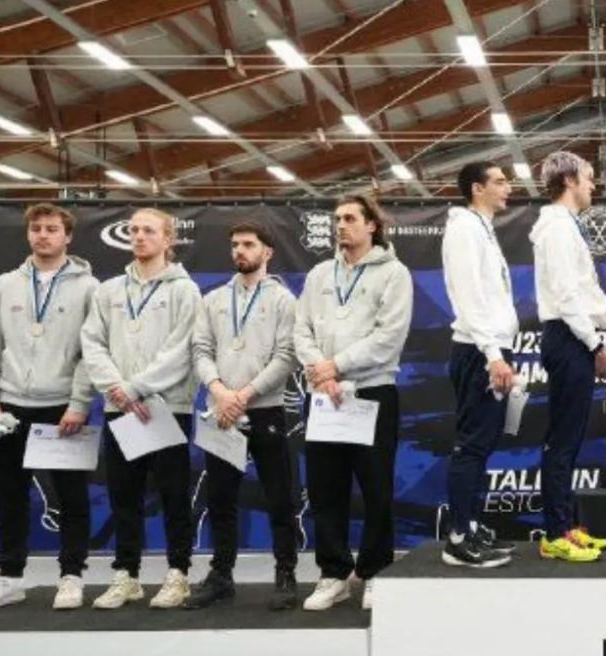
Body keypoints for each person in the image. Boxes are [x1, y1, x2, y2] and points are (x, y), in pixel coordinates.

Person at [0, 203, 99, 612]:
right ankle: (9, 579)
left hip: (62, 407)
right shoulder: (5, 285)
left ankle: (71, 577)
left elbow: (91, 352)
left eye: (52, 228)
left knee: (71, 498)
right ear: (28, 234)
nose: (43, 235)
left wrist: (79, 402)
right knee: (8, 497)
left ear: (67, 236)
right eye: (36, 228)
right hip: (9, 408)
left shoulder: (90, 287)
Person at [294, 192, 413, 610]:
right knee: (325, 489)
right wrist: (321, 370)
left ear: (372, 226)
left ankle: (376, 570)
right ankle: (333, 574)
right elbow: (300, 330)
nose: (340, 226)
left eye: (349, 218)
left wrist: (337, 365)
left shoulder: (394, 274)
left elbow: (389, 337)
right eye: (337, 219)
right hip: (324, 397)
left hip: (372, 392)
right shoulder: (318, 274)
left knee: (376, 488)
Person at [81, 207, 201, 610]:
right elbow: (92, 343)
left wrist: (135, 388)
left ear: (168, 239)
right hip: (121, 409)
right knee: (124, 496)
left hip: (167, 407)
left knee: (173, 495)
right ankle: (126, 575)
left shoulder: (184, 291)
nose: (139, 237)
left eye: (149, 230)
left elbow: (181, 351)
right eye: (133, 230)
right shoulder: (108, 291)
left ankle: (178, 574)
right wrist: (117, 390)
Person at [188, 222, 299, 610]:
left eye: (248, 244)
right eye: (235, 244)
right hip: (222, 412)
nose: (239, 250)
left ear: (267, 252)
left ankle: (285, 574)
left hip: (266, 409)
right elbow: (200, 350)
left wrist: (245, 395)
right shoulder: (214, 299)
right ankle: (221, 575)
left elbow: (286, 356)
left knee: (279, 497)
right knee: (220, 498)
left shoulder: (284, 300)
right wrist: (220, 392)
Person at [531, 151, 606, 562]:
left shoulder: (565, 226)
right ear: (568, 181)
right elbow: (566, 295)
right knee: (562, 441)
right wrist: (594, 344)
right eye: (588, 177)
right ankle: (555, 533)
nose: (594, 185)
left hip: (571, 337)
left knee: (568, 439)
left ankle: (563, 526)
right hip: (568, 337)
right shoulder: (559, 229)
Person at [441, 161, 517, 568]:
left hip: (491, 348)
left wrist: (498, 351)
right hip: (477, 351)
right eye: (500, 182)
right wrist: (492, 355)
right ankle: (457, 538)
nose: (508, 188)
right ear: (476, 188)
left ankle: (470, 525)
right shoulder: (464, 230)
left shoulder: (482, 229)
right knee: (471, 446)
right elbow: (469, 296)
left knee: (483, 445)